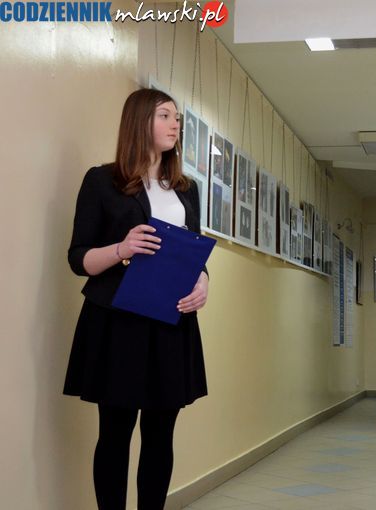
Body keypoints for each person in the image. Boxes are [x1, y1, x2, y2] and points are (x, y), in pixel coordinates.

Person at [64, 88, 210, 509]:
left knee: (161, 434)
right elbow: (78, 259)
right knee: (115, 432)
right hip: (118, 322)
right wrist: (121, 249)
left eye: (177, 117)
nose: (175, 124)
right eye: (165, 115)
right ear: (139, 121)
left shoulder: (187, 189)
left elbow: (194, 254)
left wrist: (203, 280)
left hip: (172, 322)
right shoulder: (102, 181)